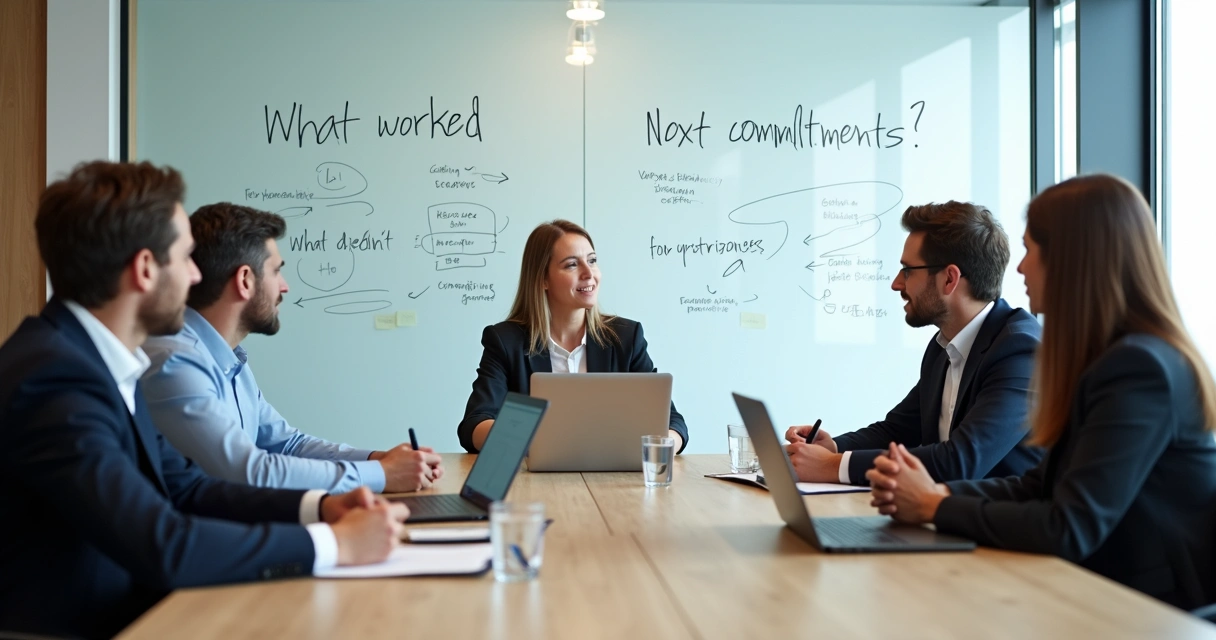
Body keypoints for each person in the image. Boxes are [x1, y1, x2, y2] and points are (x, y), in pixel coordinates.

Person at [0, 162, 407, 639]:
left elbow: (187, 488)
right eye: (186, 257)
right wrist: (332, 544)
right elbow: (164, 544)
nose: (196, 275)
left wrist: (320, 508)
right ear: (146, 269)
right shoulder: (54, 377)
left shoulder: (93, 360)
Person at [867, 175, 1216, 610]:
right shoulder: (1107, 358)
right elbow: (1039, 485)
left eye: (1031, 250)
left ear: (1073, 259)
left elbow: (1068, 527)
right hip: (1100, 591)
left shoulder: (1138, 368)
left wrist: (935, 506)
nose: (1020, 268)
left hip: (1148, 610)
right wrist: (934, 497)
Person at [141, 203, 443, 493]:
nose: (285, 286)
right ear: (245, 280)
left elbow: (288, 444)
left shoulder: (229, 360)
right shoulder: (175, 361)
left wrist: (379, 460)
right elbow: (247, 472)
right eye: (276, 271)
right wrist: (383, 474)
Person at [785, 201, 1043, 484]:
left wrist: (833, 466)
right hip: (939, 518)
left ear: (949, 279)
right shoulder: (943, 345)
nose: (896, 283)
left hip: (995, 524)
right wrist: (832, 447)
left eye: (908, 270)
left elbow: (961, 460)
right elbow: (898, 429)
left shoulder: (1021, 351)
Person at [458, 219, 689, 453]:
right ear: (542, 279)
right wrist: (535, 438)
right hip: (532, 483)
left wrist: (659, 447)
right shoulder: (506, 341)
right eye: (571, 265)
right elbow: (474, 426)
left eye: (592, 260)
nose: (589, 274)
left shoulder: (626, 338)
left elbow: (673, 423)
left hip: (614, 479)